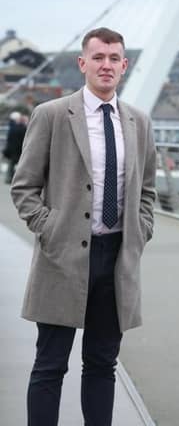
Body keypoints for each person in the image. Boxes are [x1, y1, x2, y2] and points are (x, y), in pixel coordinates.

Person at [11, 27, 157, 426]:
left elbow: (147, 190)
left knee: (101, 364)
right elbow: (24, 186)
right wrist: (49, 229)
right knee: (50, 365)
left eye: (114, 59)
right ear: (83, 63)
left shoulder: (139, 123)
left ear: (124, 66)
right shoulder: (53, 115)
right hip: (63, 257)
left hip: (116, 259)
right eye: (98, 58)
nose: (106, 65)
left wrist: (140, 231)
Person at [3, 111, 27, 184]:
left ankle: (9, 179)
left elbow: (9, 139)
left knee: (11, 164)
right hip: (19, 149)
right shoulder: (23, 128)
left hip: (11, 149)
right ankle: (18, 179)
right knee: (20, 164)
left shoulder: (12, 128)